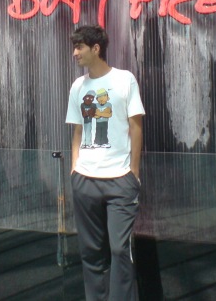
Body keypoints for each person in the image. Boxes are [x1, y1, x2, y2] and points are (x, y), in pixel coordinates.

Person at [65, 25, 145, 301]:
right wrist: (74, 169)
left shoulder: (124, 80)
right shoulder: (78, 86)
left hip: (120, 180)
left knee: (120, 250)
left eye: (79, 47)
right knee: (91, 252)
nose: (75, 53)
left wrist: (133, 173)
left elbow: (136, 127)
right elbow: (77, 130)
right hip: (85, 179)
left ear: (96, 48)